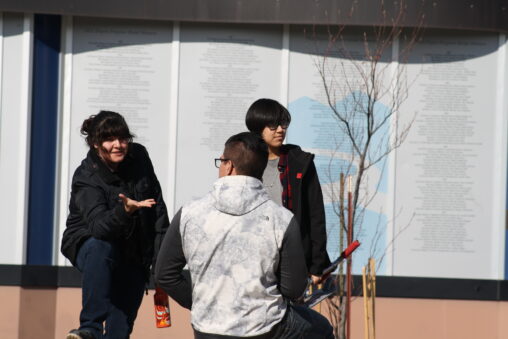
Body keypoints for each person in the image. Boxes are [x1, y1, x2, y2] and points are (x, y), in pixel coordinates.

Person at [155, 132, 333, 338]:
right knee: (322, 328)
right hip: (264, 327)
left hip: (207, 327)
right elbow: (294, 289)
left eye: (220, 162)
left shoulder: (189, 213)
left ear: (228, 165)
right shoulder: (281, 218)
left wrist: (201, 303)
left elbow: (164, 274)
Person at [61, 111, 169, 339]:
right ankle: (89, 327)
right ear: (94, 144)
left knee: (119, 330)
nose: (118, 145)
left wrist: (159, 262)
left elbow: (157, 208)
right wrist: (124, 211)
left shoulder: (138, 156)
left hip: (133, 253)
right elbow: (99, 228)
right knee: (102, 247)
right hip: (89, 246)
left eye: (123, 138)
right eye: (109, 140)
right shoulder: (85, 177)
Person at [245, 98, 331, 284]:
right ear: (257, 126)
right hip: (252, 258)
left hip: (291, 257)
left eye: (283, 124)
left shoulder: (300, 163)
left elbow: (316, 216)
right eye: (273, 124)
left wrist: (317, 265)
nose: (280, 130)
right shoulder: (245, 163)